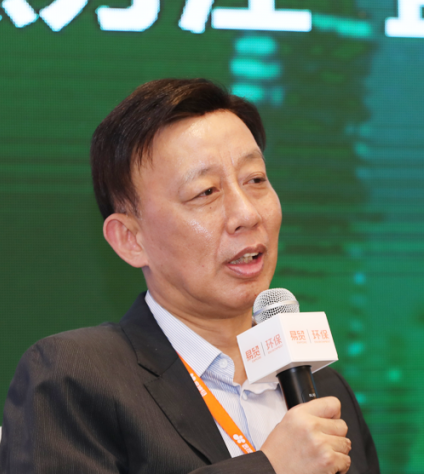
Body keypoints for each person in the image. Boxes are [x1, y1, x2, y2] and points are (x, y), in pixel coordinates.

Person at [0, 78, 379, 474]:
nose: (247, 214)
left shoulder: (325, 391)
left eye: (255, 180)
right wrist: (269, 467)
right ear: (130, 239)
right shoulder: (75, 377)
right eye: (205, 192)